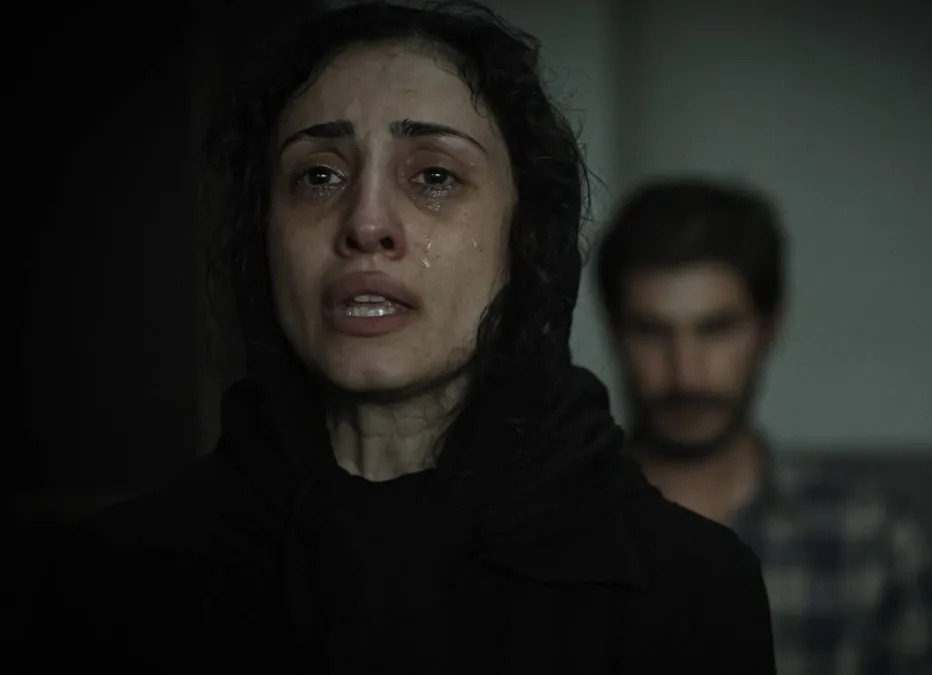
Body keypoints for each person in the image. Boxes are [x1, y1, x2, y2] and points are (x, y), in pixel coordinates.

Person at [12, 4, 776, 674]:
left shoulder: (689, 588)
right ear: (262, 236)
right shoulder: (108, 579)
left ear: (525, 238)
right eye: (318, 175)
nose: (366, 223)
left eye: (434, 176)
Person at [595, 177, 932, 674]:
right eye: (651, 332)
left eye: (716, 329)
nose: (685, 373)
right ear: (616, 333)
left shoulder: (868, 540)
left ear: (770, 325)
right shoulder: (570, 533)